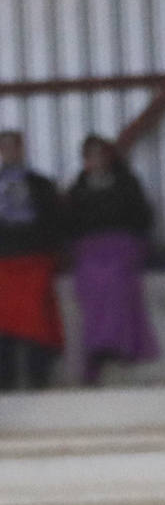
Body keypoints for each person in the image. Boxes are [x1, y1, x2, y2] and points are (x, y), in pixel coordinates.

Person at [65, 135, 159, 385]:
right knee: (92, 291)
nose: (96, 160)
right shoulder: (78, 188)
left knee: (117, 286)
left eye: (100, 154)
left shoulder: (126, 184)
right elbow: (69, 223)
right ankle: (98, 348)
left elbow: (141, 217)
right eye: (90, 155)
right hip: (89, 250)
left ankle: (117, 346)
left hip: (121, 246)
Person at [0, 130, 65, 390]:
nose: (9, 152)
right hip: (4, 261)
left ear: (22, 149)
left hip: (34, 259)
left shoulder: (40, 184)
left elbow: (54, 221)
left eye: (13, 147)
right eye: (5, 147)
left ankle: (39, 377)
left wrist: (53, 251)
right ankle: (5, 379)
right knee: (4, 321)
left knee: (36, 319)